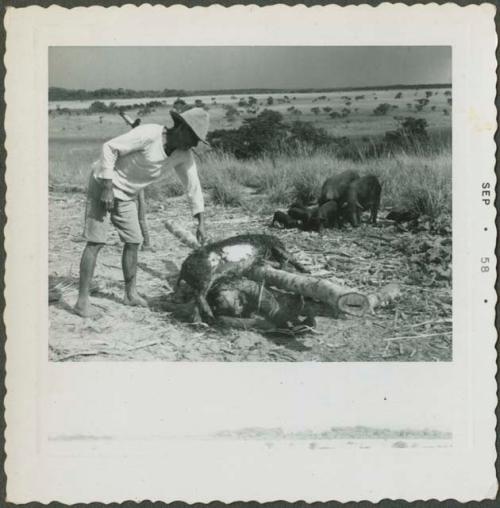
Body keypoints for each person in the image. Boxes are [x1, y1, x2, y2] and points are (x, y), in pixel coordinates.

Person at [74, 107, 209, 318]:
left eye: (197, 141)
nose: (194, 144)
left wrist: (200, 221)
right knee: (96, 241)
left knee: (134, 240)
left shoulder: (184, 154)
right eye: (193, 137)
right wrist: (108, 188)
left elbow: (194, 185)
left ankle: (130, 294)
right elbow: (109, 148)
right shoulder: (149, 134)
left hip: (128, 193)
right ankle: (82, 302)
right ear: (181, 127)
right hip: (103, 183)